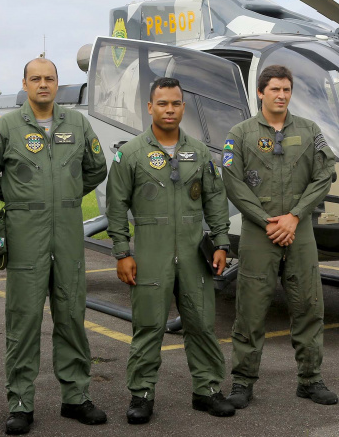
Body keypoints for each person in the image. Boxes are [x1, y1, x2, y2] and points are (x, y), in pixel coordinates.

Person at [0, 58, 108, 435]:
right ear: (25, 84)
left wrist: (63, 195)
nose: (43, 84)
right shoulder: (7, 127)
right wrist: (23, 199)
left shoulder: (77, 123)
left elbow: (96, 168)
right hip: (25, 235)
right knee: (23, 321)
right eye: (36, 79)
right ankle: (20, 403)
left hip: (67, 234)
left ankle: (76, 397)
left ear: (57, 83)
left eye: (49, 78)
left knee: (71, 316)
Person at [105, 77, 235, 424]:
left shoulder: (199, 151)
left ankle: (207, 390)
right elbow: (115, 207)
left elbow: (214, 199)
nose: (169, 109)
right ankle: (142, 394)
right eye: (162, 103)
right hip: (150, 253)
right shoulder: (130, 154)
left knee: (202, 323)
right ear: (150, 107)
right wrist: (122, 252)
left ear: (183, 107)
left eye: (175, 103)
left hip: (194, 253)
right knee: (148, 326)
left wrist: (221, 243)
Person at [221, 65, 338, 410]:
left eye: (286, 89)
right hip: (260, 231)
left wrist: (294, 216)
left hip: (298, 230)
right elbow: (233, 181)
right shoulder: (239, 134)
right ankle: (242, 382)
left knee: (309, 306)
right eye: (274, 89)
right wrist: (265, 220)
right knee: (251, 308)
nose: (281, 95)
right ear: (260, 92)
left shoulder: (309, 130)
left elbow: (324, 175)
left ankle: (310, 380)